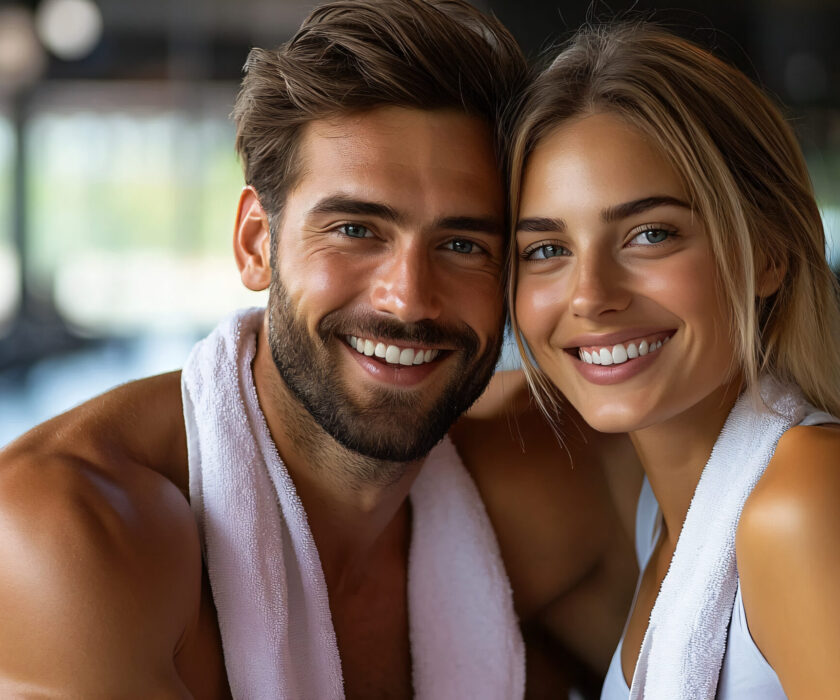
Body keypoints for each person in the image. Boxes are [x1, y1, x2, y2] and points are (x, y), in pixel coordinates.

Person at [0, 3, 638, 698]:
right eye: (356, 229)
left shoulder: (546, 496)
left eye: (463, 245)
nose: (409, 299)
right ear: (255, 243)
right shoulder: (65, 532)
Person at [508, 22, 840, 699]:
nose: (591, 296)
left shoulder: (802, 501)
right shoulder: (661, 518)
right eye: (546, 249)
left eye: (649, 234)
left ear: (767, 255)